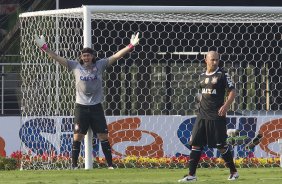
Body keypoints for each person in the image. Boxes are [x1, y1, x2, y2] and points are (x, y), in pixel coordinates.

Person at [34, 32, 140, 169]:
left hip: (96, 107)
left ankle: (110, 165)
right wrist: (44, 48)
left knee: (103, 135)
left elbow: (117, 56)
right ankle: (74, 165)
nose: (86, 57)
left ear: (93, 57)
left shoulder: (100, 65)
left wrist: (130, 46)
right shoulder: (74, 66)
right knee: (77, 136)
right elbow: (56, 57)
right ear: (81, 57)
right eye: (84, 55)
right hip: (81, 107)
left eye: (88, 55)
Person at [178, 51, 238, 182]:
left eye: (217, 60)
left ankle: (233, 172)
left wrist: (226, 105)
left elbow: (232, 91)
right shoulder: (201, 75)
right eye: (212, 60)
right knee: (195, 145)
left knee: (221, 146)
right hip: (202, 116)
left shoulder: (223, 74)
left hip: (216, 116)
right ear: (206, 60)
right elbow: (203, 95)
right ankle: (191, 175)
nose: (215, 62)